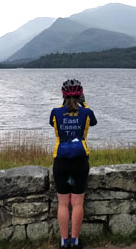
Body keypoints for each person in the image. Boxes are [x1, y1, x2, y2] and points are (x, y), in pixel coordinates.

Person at [50, 79, 97, 249]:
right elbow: (94, 121)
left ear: (63, 95)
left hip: (61, 160)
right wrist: (83, 102)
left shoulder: (55, 112)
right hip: (80, 160)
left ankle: (64, 241)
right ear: (80, 95)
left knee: (63, 203)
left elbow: (54, 123)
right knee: (77, 203)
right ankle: (75, 241)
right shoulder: (86, 112)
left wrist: (66, 105)